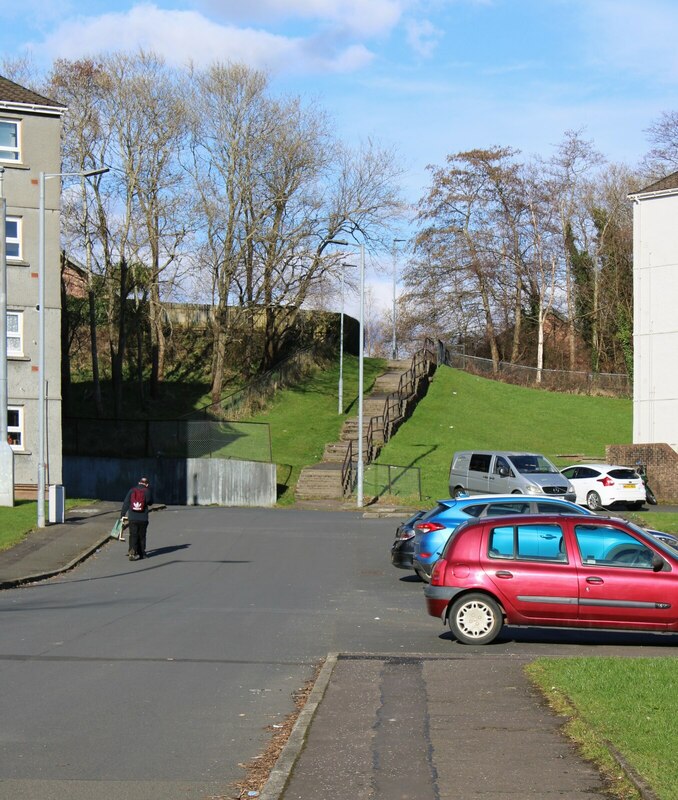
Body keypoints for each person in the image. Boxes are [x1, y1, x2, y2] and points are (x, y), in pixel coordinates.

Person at [121, 477, 154, 561]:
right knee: (142, 536)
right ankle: (142, 553)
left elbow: (126, 503)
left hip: (132, 517)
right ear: (146, 484)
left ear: (139, 482)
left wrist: (122, 514)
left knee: (133, 534)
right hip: (143, 518)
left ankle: (132, 551)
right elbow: (150, 502)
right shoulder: (147, 491)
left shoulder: (132, 490)